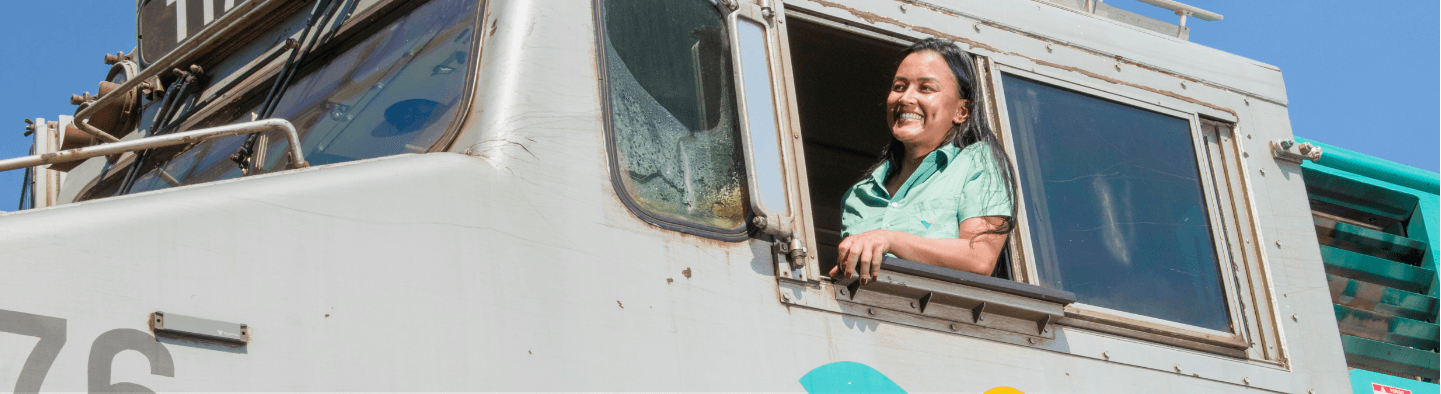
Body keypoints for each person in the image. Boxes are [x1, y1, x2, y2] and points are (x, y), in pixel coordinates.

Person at [829, 38, 1018, 284]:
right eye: (899, 86)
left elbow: (979, 257)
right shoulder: (858, 195)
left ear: (962, 111)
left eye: (926, 88)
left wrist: (888, 239)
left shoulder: (977, 162)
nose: (906, 98)